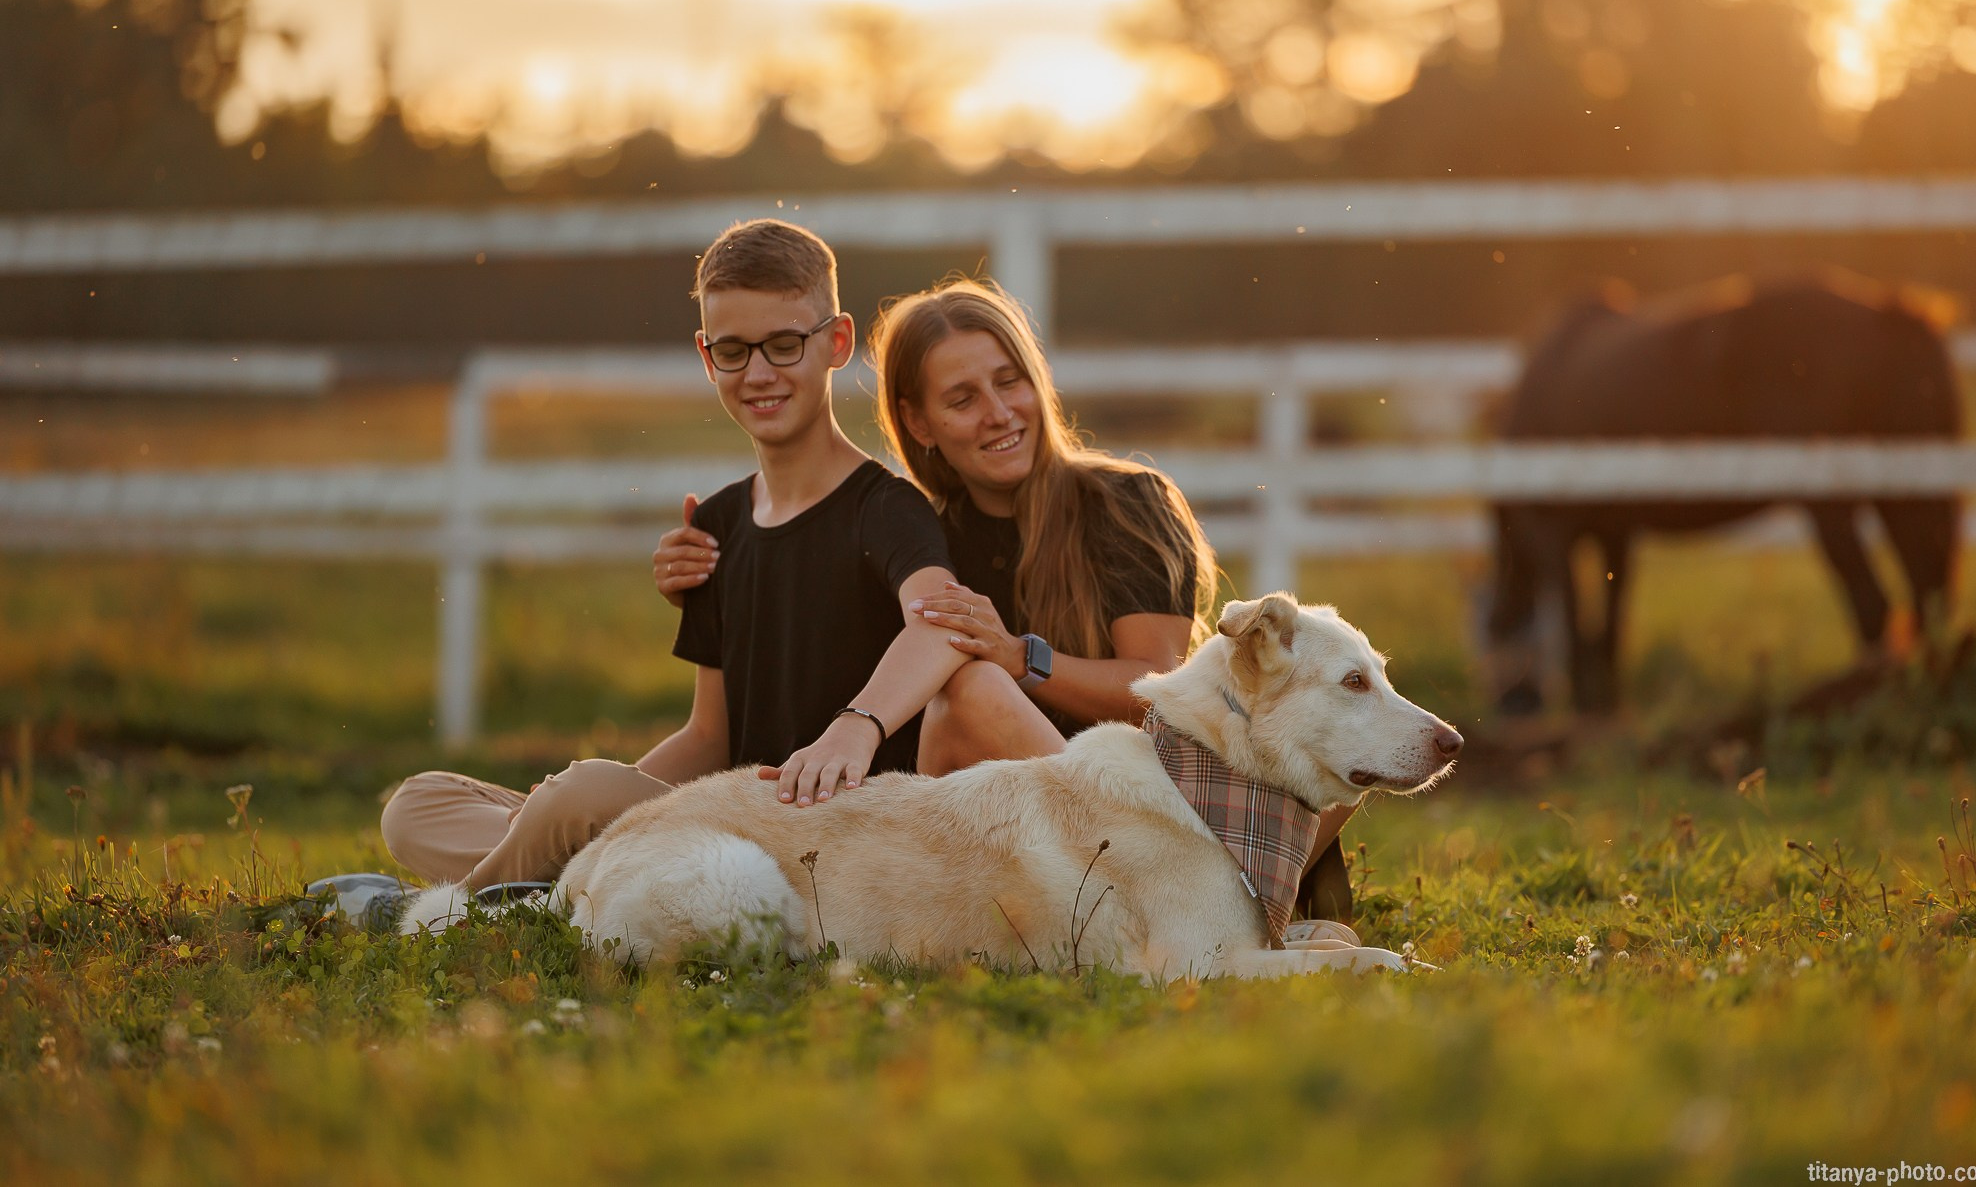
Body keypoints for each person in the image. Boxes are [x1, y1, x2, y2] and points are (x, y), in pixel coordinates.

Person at [321, 219, 993, 923]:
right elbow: (709, 737)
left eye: (785, 344)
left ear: (837, 342)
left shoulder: (886, 509)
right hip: (708, 821)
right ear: (707, 357)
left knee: (581, 797)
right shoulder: (717, 526)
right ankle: (550, 880)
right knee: (418, 803)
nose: (759, 373)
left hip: (815, 840)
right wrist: (583, 802)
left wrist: (856, 727)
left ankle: (451, 914)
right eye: (732, 351)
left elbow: (942, 622)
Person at [660, 278, 1355, 907]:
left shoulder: (1123, 503)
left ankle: (1191, 889)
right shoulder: (922, 541)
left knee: (976, 688)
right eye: (962, 399)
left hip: (1145, 799)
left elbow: (1158, 689)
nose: (998, 412)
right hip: (1002, 836)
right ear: (920, 423)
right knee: (964, 692)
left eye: (1009, 381)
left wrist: (1023, 658)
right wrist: (717, 573)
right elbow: (824, 642)